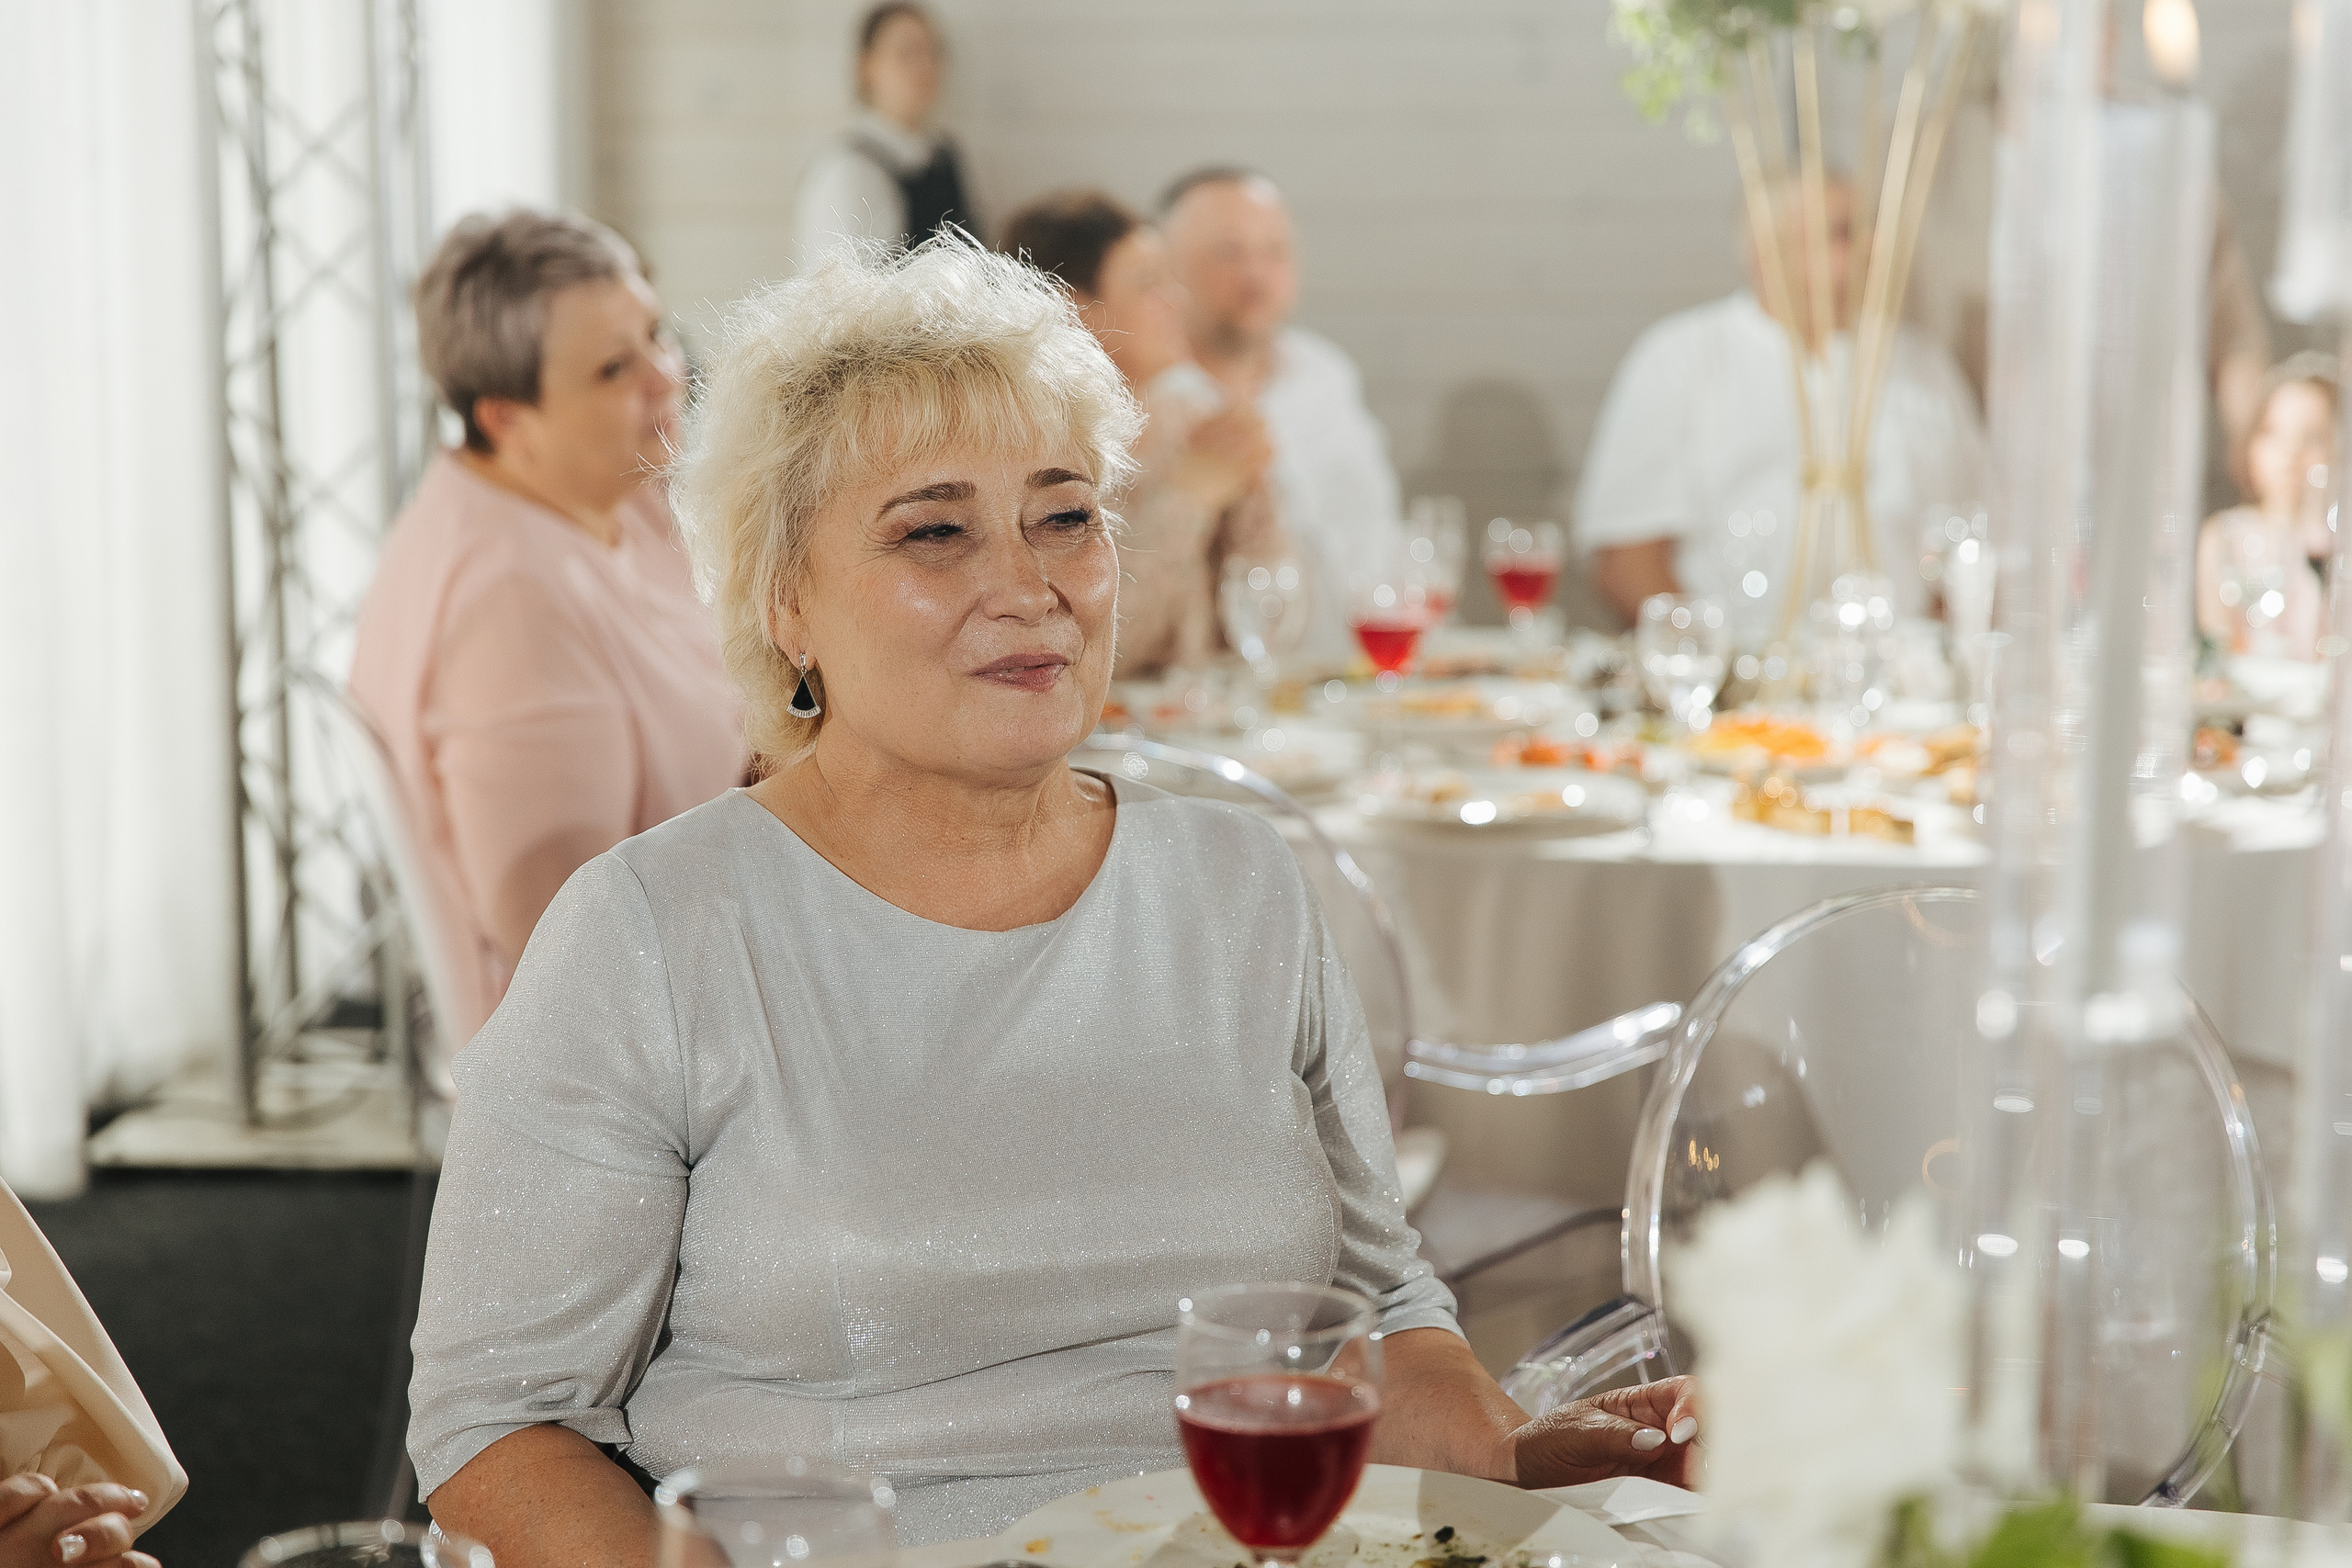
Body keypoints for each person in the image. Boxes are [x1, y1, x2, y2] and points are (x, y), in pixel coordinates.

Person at [404, 237, 1700, 1568]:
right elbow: (496, 1423)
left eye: (1066, 514)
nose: (1030, 586)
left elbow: (1379, 1301)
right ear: (785, 598)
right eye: (935, 529)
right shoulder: (653, 932)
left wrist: (1504, 1458)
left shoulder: (1241, 880)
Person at [348, 210, 745, 1068]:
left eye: (655, 334)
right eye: (613, 368)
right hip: (626, 1059)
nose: (666, 375)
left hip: (711, 967)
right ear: (506, 417)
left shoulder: (613, 495)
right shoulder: (509, 604)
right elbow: (570, 951)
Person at [1576, 176, 1988, 629]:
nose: (1875, 246)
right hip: (1740, 674)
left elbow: (1975, 537)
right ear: (1767, 254)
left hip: (1900, 674)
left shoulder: (1923, 367)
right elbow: (1628, 558)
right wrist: (1716, 671)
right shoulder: (1684, 359)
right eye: (1842, 233)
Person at [1001, 189, 1287, 675]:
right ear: (1072, 306)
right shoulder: (1028, 455)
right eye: (1148, 284)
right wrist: (1188, 498)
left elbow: (1279, 621)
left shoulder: (1193, 416)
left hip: (1200, 724)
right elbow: (1093, 649)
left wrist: (1252, 505)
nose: (1176, 302)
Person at [1161, 168, 1404, 663]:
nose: (1256, 275)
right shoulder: (1152, 397)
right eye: (1229, 253)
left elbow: (1380, 533)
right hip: (1232, 692)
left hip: (1374, 671)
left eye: (1275, 252)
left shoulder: (1327, 373)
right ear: (1169, 268)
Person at [795, 3, 978, 260]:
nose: (923, 66)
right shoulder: (846, 172)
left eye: (932, 52)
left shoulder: (945, 157)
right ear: (866, 66)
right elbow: (834, 294)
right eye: (906, 53)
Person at [2196, 355, 2339, 660]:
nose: (2291, 453)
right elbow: (2220, 654)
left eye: (2312, 438)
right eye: (2273, 433)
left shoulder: (2336, 550)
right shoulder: (2224, 539)